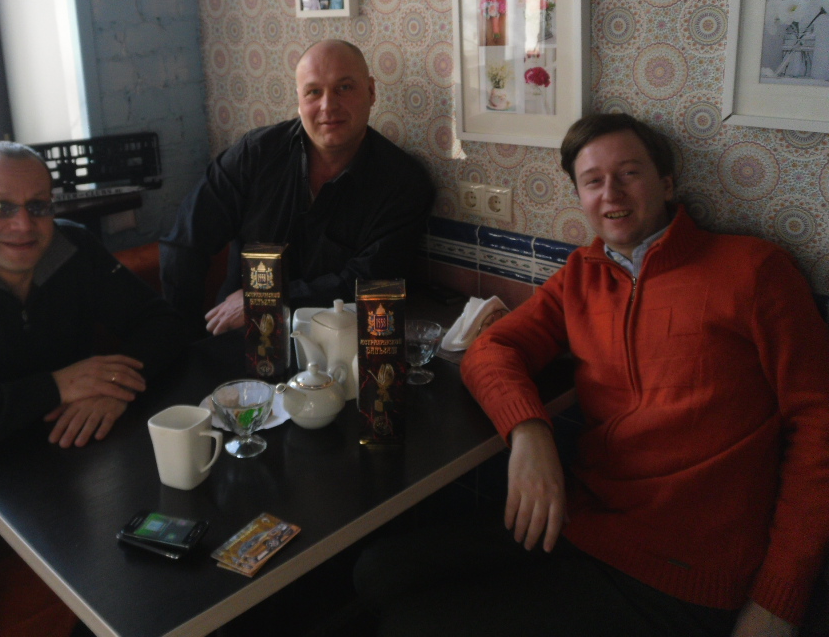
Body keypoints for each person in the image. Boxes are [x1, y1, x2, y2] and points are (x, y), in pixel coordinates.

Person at [355, 113, 829, 636]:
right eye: (593, 181)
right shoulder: (583, 275)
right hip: (584, 519)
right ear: (579, 196)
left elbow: (820, 427)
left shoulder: (753, 271)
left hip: (683, 573)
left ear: (667, 183)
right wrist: (529, 433)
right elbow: (490, 350)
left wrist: (777, 603)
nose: (612, 194)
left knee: (408, 624)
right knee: (376, 572)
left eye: (629, 173)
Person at [0, 141, 188, 636]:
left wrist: (113, 386)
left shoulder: (74, 249)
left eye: (38, 206)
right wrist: (55, 387)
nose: (23, 224)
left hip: (57, 443)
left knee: (165, 525)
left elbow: (162, 323)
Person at [160, 39, 434, 337]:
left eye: (344, 88)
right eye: (314, 92)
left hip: (338, 348)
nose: (328, 106)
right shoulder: (254, 155)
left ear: (370, 91)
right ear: (299, 99)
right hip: (240, 339)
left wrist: (265, 300)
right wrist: (183, 338)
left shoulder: (402, 183)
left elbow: (367, 283)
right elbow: (185, 244)